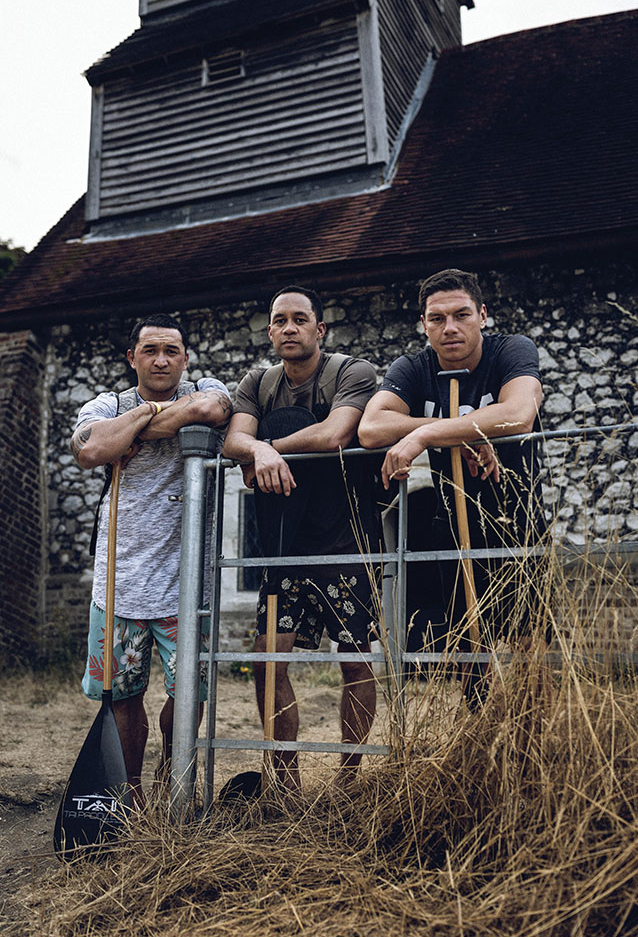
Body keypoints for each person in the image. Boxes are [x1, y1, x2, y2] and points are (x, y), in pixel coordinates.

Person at [359, 270, 546, 701]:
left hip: (515, 516)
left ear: (482, 315)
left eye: (461, 315)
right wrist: (461, 431)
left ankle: (533, 741)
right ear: (423, 324)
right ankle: (475, 742)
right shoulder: (414, 367)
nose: (450, 328)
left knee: (530, 642)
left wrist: (423, 435)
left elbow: (518, 414)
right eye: (437, 319)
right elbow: (371, 428)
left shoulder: (511, 351)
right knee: (466, 643)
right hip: (452, 519)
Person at [223, 286, 380, 790]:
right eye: (279, 321)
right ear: (270, 331)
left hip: (345, 542)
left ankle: (349, 778)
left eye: (299, 319)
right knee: (268, 657)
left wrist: (266, 449)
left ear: (319, 329)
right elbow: (232, 439)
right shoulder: (258, 383)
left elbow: (336, 434)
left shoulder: (351, 373)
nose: (289, 328)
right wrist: (256, 451)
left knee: (355, 658)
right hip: (284, 544)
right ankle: (284, 781)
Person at [71, 313, 232, 801]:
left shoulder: (205, 385)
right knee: (121, 696)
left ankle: (173, 768)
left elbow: (210, 410)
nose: (162, 360)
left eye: (172, 351)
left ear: (185, 357)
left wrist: (131, 433)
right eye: (150, 351)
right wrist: (145, 415)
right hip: (118, 580)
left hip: (188, 582)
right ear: (132, 357)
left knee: (189, 695)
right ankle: (130, 794)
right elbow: (92, 447)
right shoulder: (109, 403)